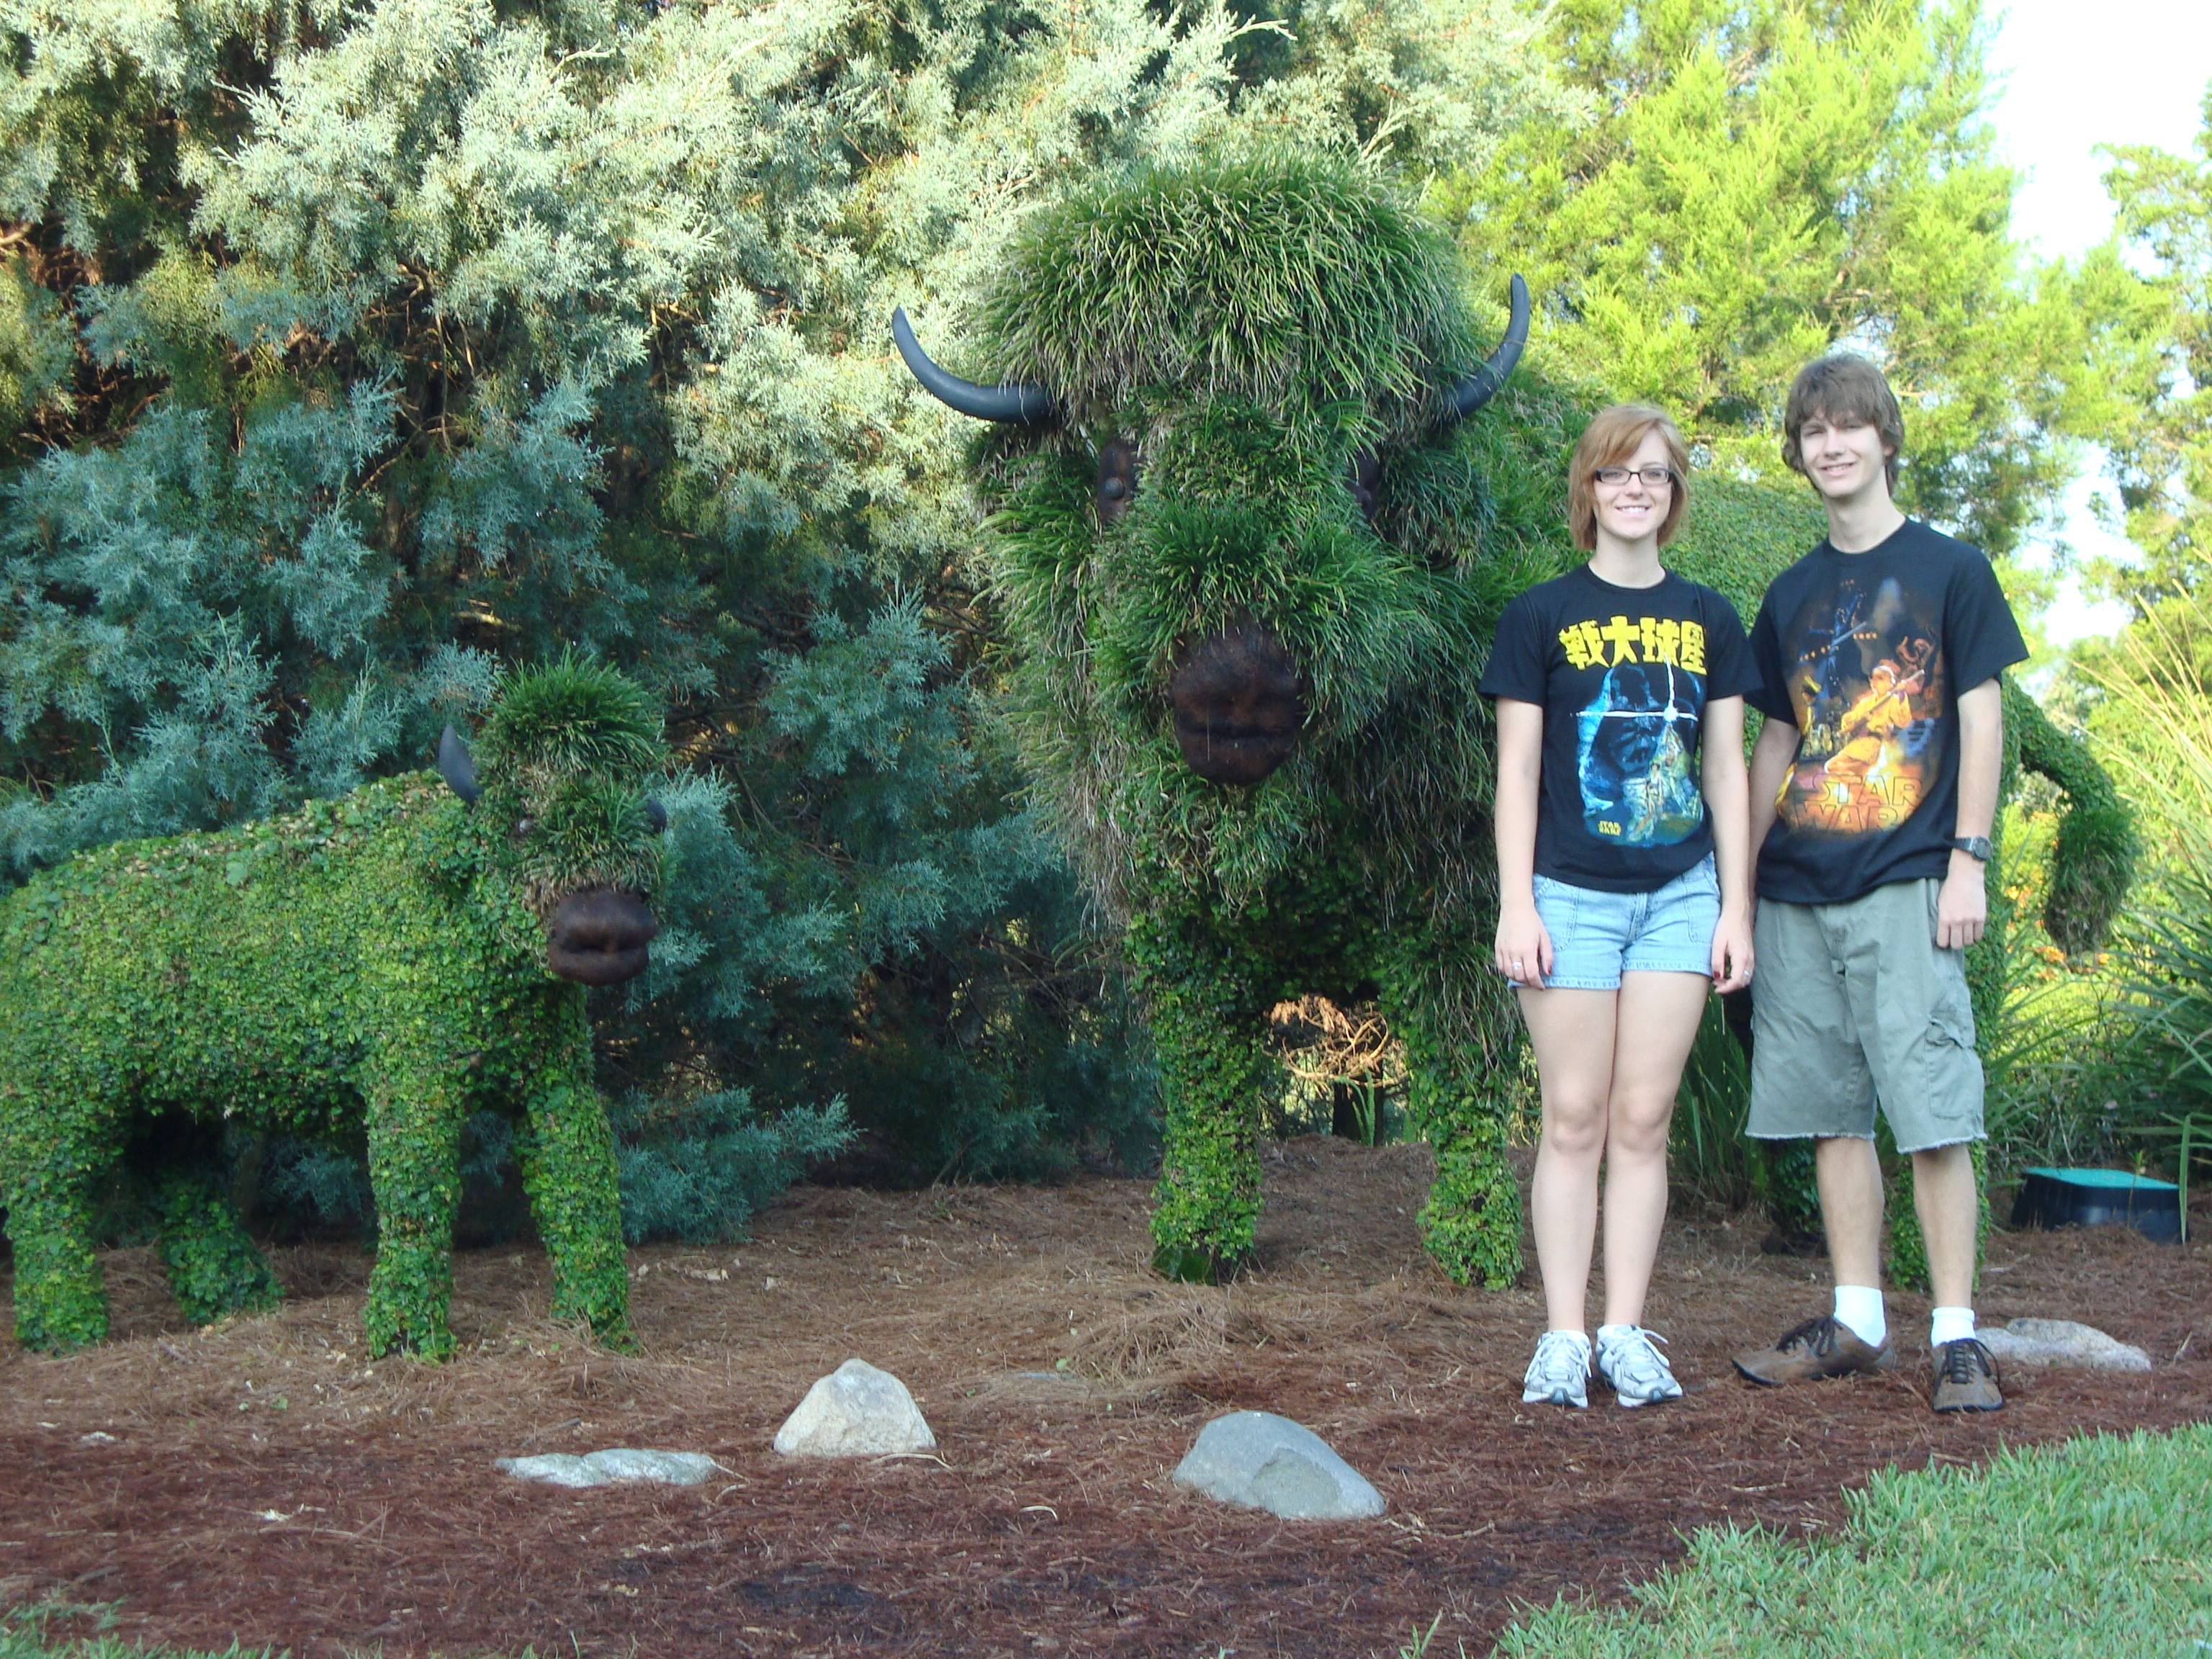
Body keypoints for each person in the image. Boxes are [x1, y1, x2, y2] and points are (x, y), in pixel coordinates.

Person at [1730, 354, 2026, 1413]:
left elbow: (1982, 719)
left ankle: (1957, 1336)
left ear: (1885, 438)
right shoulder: (1791, 592)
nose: (1832, 445)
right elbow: (1776, 741)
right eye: (1814, 431)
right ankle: (1857, 1323)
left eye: (1849, 426)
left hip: (1909, 879)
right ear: (1798, 450)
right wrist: (1738, 887)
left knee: (1933, 1112)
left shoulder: (1951, 570)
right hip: (1796, 888)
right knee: (1832, 1115)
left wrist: (1969, 860)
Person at [1481, 405, 1758, 1409]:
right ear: (1588, 490)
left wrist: (1735, 909)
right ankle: (1563, 1338)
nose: (1634, 488)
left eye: (1653, 473)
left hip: (1681, 898)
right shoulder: (1540, 615)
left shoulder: (1710, 618)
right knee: (1573, 1118)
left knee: (1643, 1120)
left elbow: (1724, 771)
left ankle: (1625, 1333)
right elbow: (1517, 773)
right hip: (1569, 897)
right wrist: (1517, 904)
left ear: (1674, 492)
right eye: (1615, 473)